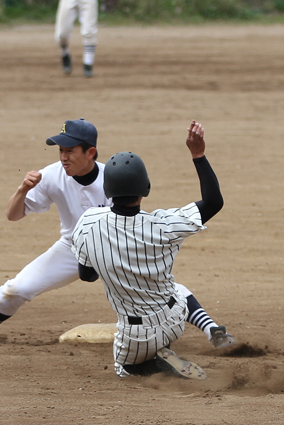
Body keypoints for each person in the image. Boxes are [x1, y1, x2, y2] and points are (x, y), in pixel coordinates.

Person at [0, 119, 236, 350]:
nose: (63, 156)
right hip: (72, 247)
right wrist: (22, 190)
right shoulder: (51, 176)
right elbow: (13, 215)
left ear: (90, 153)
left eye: (70, 150)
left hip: (117, 247)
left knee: (165, 289)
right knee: (16, 288)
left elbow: (130, 219)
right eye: (60, 150)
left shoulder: (115, 177)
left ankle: (213, 331)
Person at [72, 121, 224, 379]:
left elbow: (87, 275)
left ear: (107, 191)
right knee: (177, 289)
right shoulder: (164, 224)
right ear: (146, 189)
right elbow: (213, 202)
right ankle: (199, 332)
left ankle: (157, 367)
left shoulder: (88, 223)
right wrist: (198, 154)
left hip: (136, 337)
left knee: (124, 370)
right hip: (174, 318)